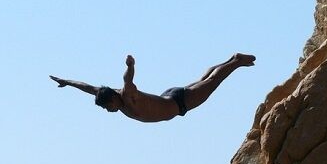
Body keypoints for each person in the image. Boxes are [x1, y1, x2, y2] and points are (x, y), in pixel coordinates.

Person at [49, 53, 255, 122]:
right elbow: (87, 87)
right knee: (203, 79)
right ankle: (231, 59)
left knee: (210, 83)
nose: (108, 110)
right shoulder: (110, 96)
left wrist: (130, 65)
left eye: (107, 107)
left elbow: (127, 81)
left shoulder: (127, 96)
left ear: (113, 98)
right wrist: (67, 82)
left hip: (177, 102)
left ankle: (235, 61)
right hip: (169, 98)